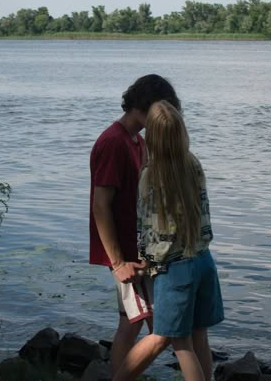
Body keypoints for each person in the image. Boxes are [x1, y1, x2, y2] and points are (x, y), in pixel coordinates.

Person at [112, 100, 224, 381]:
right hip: (204, 261)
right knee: (198, 335)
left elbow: (152, 231)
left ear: (152, 138)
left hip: (175, 269)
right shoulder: (193, 163)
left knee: (176, 340)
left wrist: (145, 261)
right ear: (181, 133)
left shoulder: (151, 175)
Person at [89, 75, 181, 375]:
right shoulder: (113, 142)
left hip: (140, 249)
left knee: (135, 322)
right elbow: (100, 205)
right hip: (126, 254)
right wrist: (117, 262)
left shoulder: (137, 140)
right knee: (153, 325)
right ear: (143, 107)